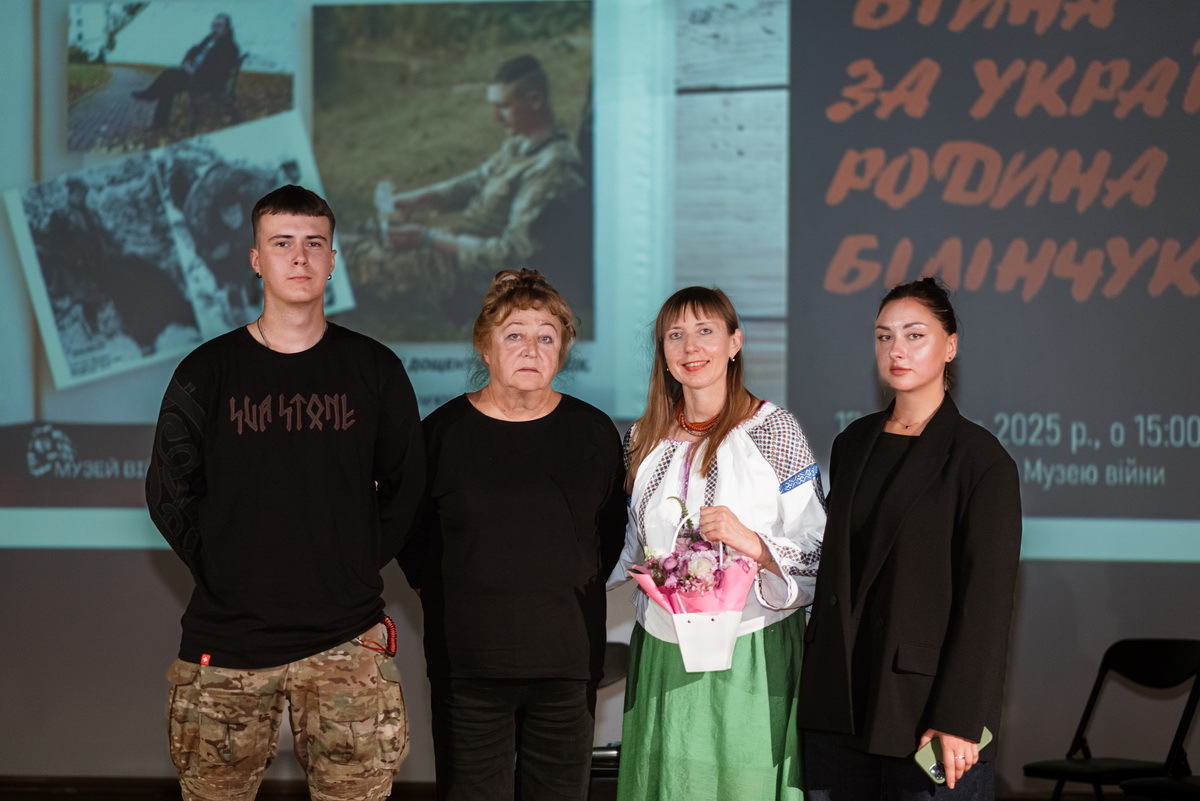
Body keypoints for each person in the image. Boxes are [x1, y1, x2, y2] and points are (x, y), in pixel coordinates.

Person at [145, 185, 424, 801]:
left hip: (347, 641)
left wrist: (352, 562)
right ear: (256, 259)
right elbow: (168, 490)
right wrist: (223, 566)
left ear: (333, 259)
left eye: (314, 243)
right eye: (282, 243)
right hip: (228, 642)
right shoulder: (206, 371)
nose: (299, 257)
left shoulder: (374, 369)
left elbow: (407, 488)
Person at [398, 268, 626, 801]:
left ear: (562, 351)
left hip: (567, 664)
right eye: (514, 335)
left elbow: (609, 535)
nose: (531, 349)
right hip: (468, 668)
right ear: (485, 346)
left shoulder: (594, 433)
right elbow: (411, 538)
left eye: (546, 337)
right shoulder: (441, 435)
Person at [797, 277, 1023, 800]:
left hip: (927, 715)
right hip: (840, 705)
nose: (896, 350)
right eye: (884, 336)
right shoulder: (853, 442)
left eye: (914, 335)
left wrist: (960, 718)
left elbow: (986, 606)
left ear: (951, 345)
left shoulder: (981, 460)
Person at [607, 286, 826, 801]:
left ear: (735, 343)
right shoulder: (641, 439)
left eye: (705, 331)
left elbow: (819, 546)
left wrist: (754, 544)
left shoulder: (775, 431)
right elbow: (627, 547)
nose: (691, 347)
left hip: (752, 649)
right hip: (664, 650)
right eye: (675, 335)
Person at [352, 55, 592, 331]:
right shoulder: (522, 143)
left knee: (351, 261)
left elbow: (512, 253)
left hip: (470, 274)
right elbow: (477, 180)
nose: (495, 117)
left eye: (503, 107)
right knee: (349, 239)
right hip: (456, 246)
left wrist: (428, 239)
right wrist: (421, 198)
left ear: (534, 101)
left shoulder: (552, 168)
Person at [131, 13, 240, 129]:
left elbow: (218, 72)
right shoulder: (209, 39)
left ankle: (153, 104)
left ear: (227, 28)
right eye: (213, 25)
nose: (215, 29)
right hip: (193, 75)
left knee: (168, 81)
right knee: (169, 76)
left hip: (206, 82)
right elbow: (193, 51)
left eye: (219, 26)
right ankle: (156, 114)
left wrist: (194, 71)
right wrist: (187, 62)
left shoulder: (230, 47)